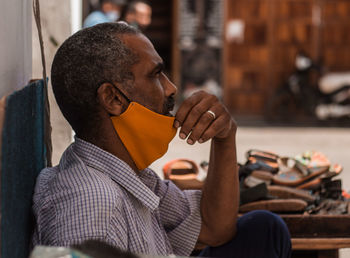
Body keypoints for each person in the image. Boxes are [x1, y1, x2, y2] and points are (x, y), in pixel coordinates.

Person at [32, 22, 291, 258]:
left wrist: (225, 138)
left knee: (264, 229)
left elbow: (215, 228)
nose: (170, 88)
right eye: (155, 75)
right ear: (112, 98)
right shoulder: (93, 204)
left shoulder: (125, 172)